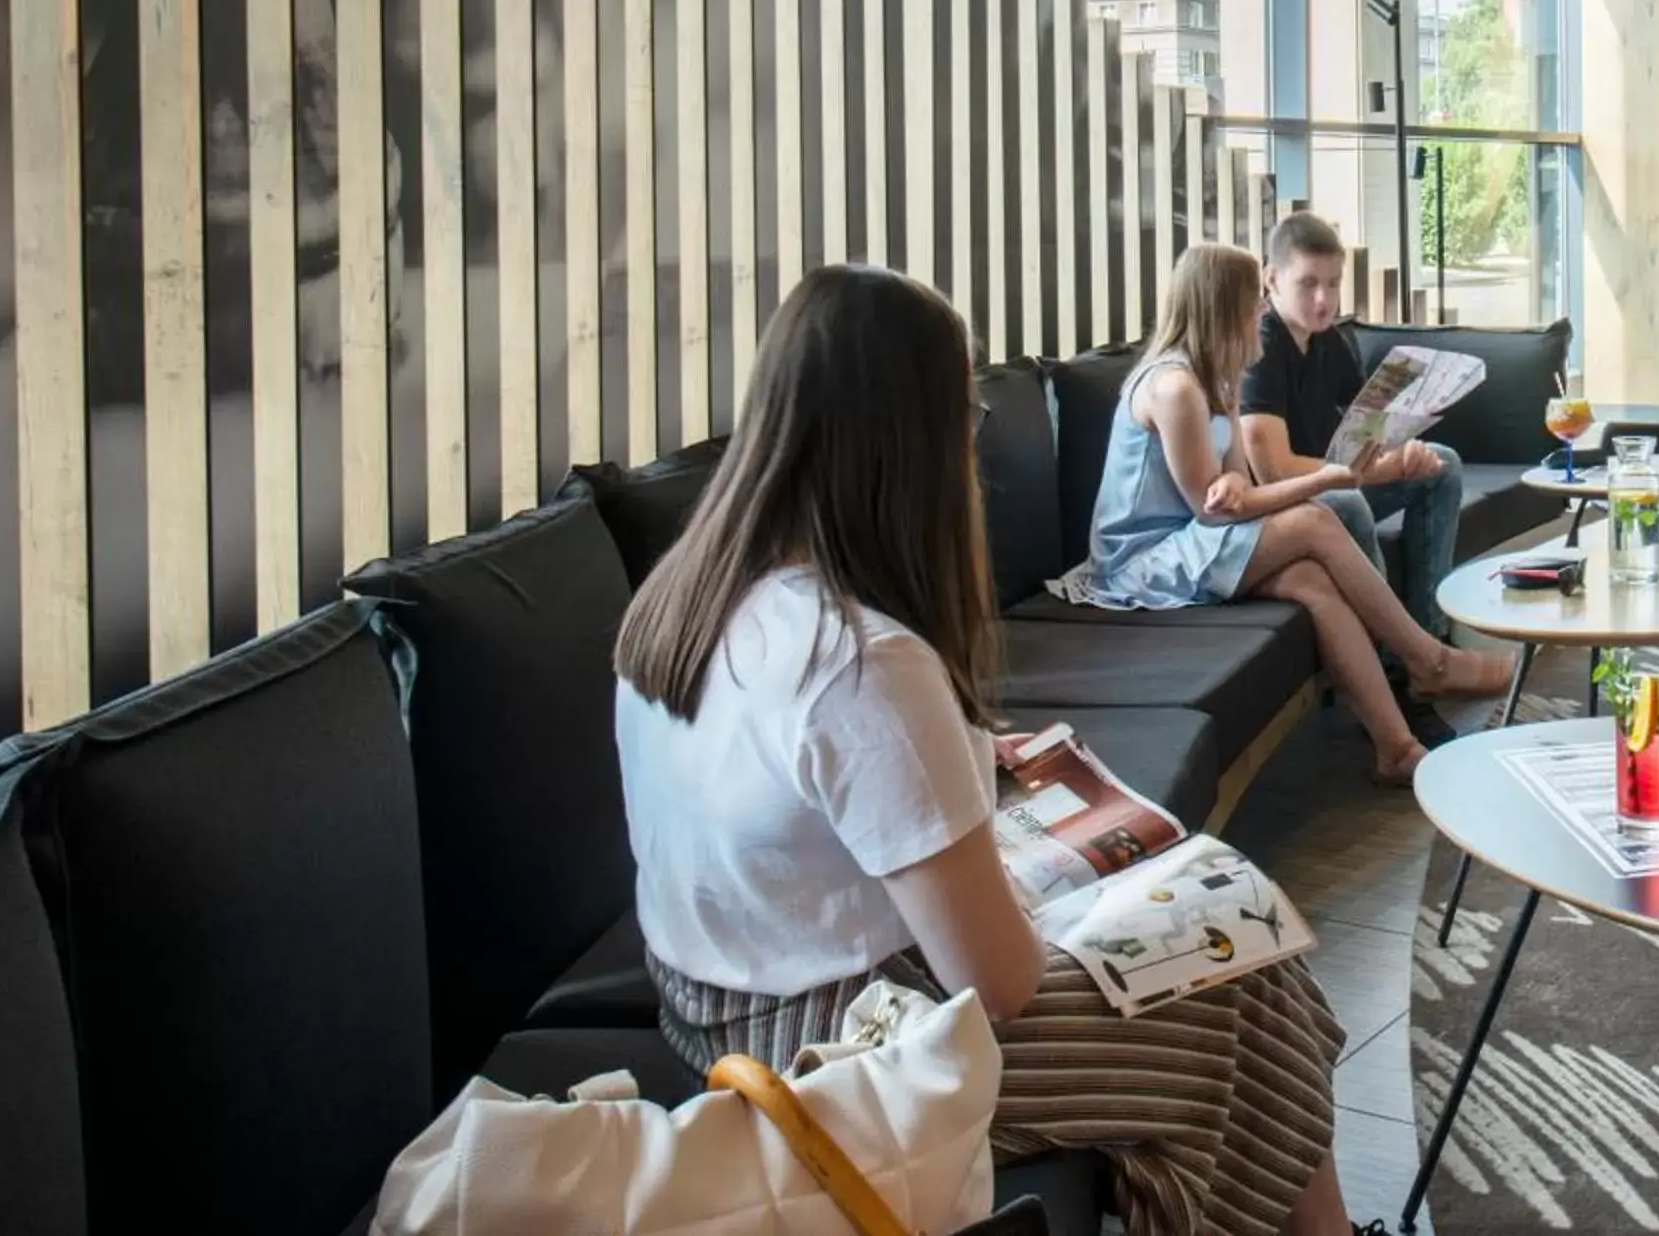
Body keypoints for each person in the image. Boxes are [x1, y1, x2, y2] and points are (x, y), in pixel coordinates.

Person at [613, 265, 1364, 1236]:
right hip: (843, 1054)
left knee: (1226, 927)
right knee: (1242, 964)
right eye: (964, 414)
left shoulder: (686, 598)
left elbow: (797, 807)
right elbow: (998, 980)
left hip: (708, 999)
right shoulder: (864, 661)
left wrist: (961, 769)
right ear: (915, 437)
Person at [1053, 241, 1513, 784]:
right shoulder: (1174, 388)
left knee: (1312, 582)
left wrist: (1232, 479)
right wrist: (1326, 479)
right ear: (1223, 307)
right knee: (1318, 519)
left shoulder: (1218, 379)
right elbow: (1219, 514)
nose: (1262, 314)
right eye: (1254, 303)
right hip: (1143, 558)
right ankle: (1426, 659)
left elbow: (1234, 489)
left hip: (1194, 538)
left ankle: (1396, 748)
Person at [1237, 213, 1467, 639]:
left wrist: (1403, 451)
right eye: (1308, 284)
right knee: (1348, 503)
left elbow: (1368, 434)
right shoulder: (1260, 349)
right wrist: (1383, 467)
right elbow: (1274, 472)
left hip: (1329, 483)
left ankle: (1429, 636)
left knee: (1442, 464)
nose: (1324, 300)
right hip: (1274, 511)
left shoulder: (1330, 340)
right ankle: (1392, 653)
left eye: (1334, 283)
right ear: (1272, 280)